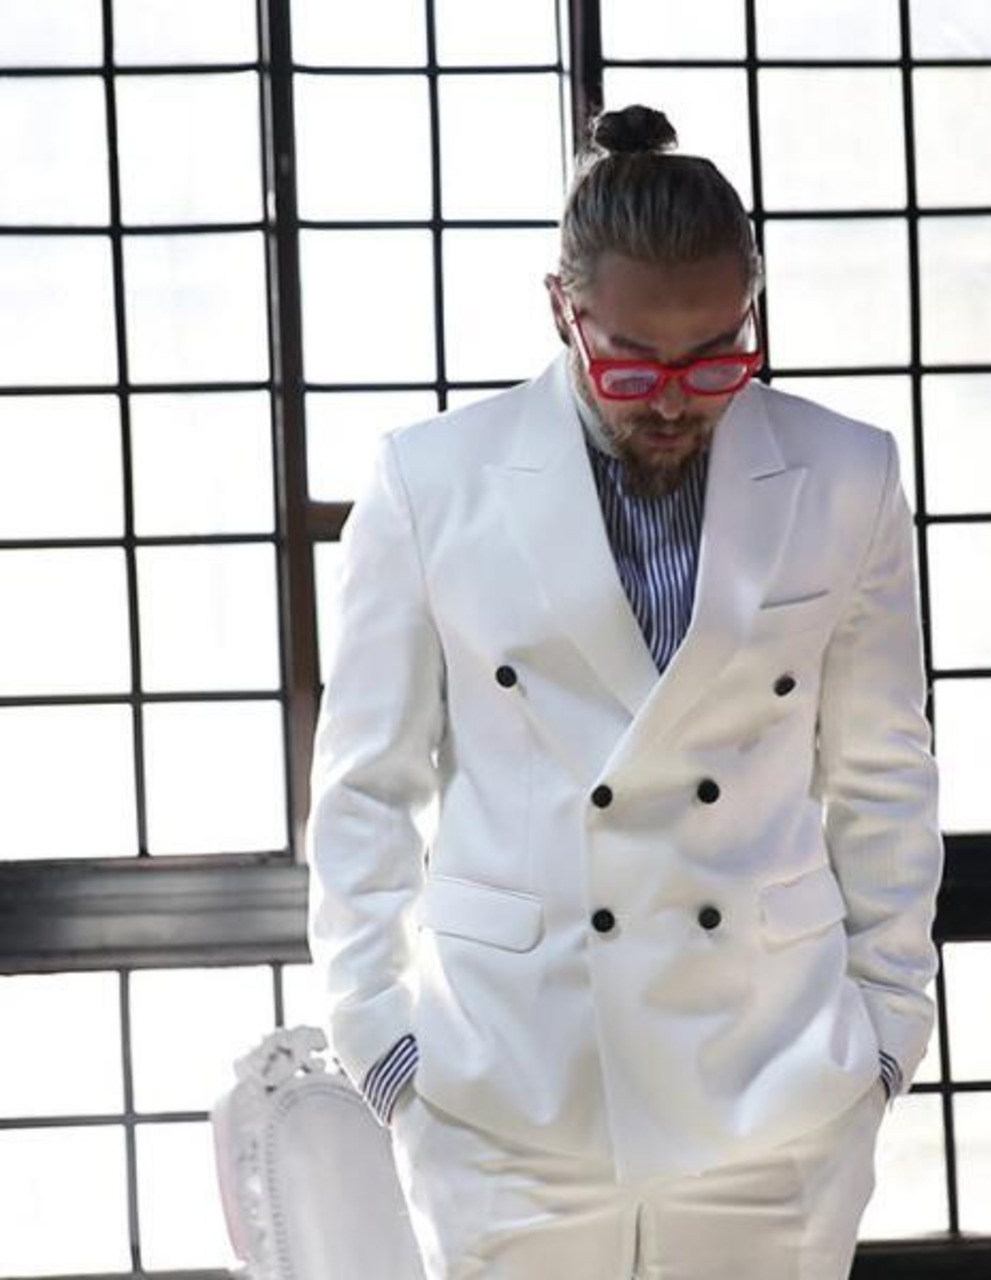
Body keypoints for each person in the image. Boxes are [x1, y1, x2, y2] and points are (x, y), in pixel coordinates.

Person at [306, 103, 943, 1279]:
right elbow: (363, 787)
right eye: (632, 363)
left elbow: (882, 768)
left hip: (777, 1085)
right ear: (562, 309)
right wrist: (384, 1046)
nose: (673, 398)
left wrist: (888, 1029)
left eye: (717, 358)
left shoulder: (846, 472)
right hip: (509, 1090)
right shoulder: (429, 481)